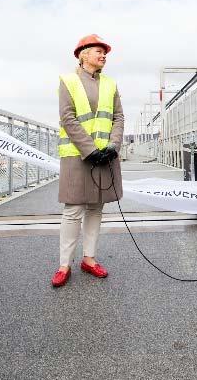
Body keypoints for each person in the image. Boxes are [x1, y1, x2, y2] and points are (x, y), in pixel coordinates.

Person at [52, 34, 124, 288]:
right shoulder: (68, 81)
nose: (103, 55)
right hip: (77, 155)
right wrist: (90, 149)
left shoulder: (111, 84)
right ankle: (64, 265)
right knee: (73, 210)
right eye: (98, 51)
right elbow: (67, 118)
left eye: (105, 52)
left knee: (96, 206)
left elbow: (118, 118)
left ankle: (89, 259)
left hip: (105, 155)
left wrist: (113, 146)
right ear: (82, 54)